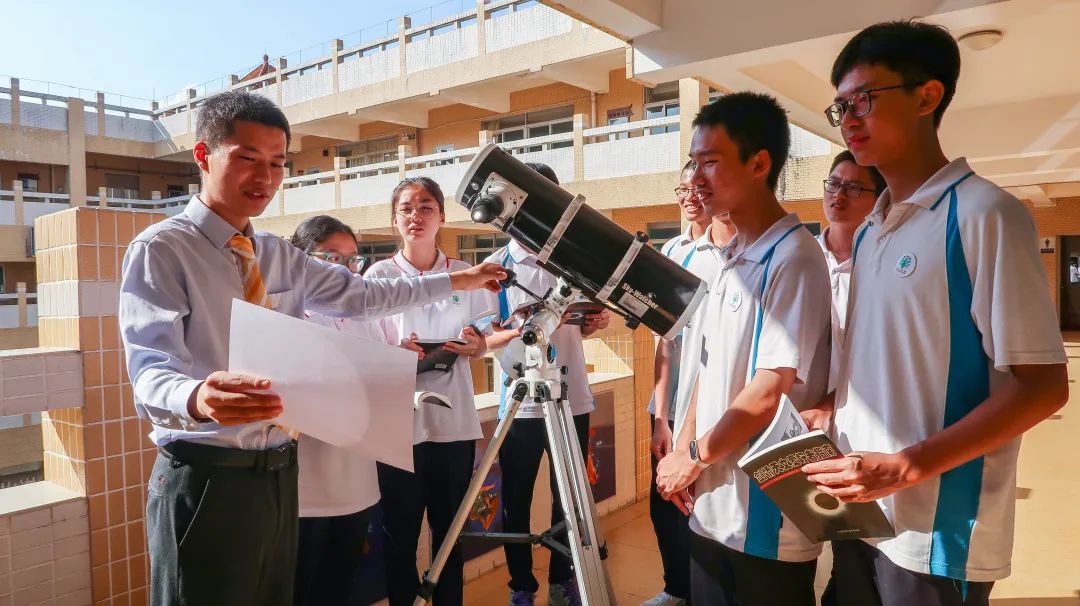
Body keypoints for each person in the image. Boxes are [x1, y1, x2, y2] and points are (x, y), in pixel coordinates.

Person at [119, 91, 506, 606]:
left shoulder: (274, 254)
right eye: (248, 158)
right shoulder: (163, 249)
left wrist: (461, 279)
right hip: (207, 471)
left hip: (280, 472)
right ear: (203, 155)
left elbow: (364, 296)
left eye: (277, 163)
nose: (265, 177)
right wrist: (197, 397)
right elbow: (150, 368)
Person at [803, 20, 1068, 606]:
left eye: (865, 100)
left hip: (938, 533)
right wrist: (831, 407)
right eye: (840, 107)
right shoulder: (870, 231)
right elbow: (886, 357)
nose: (848, 119)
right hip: (858, 510)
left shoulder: (984, 213)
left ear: (927, 96)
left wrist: (903, 468)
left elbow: (1043, 387)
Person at [654, 92, 831, 606]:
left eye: (710, 162)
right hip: (711, 508)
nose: (696, 178)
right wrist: (685, 450)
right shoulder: (730, 258)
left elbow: (768, 392)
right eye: (693, 163)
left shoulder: (794, 257)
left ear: (759, 164)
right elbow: (706, 370)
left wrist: (693, 457)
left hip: (768, 521)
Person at [366, 177, 496, 606]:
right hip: (398, 429)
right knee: (398, 535)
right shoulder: (379, 277)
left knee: (450, 535)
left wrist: (477, 347)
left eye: (425, 207)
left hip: (453, 426)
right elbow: (364, 347)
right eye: (405, 208)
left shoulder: (465, 275)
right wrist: (394, 354)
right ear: (394, 219)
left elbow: (485, 336)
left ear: (441, 216)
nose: (415, 216)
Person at [484, 162, 610, 606]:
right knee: (515, 501)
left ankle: (563, 580)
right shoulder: (495, 267)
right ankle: (521, 587)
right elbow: (483, 337)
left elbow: (589, 321)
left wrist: (594, 322)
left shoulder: (573, 260)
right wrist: (520, 330)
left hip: (570, 400)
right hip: (520, 404)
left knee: (568, 500)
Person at [644, 160, 735, 606]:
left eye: (698, 188)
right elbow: (665, 340)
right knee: (663, 502)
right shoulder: (674, 252)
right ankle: (676, 588)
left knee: (706, 502)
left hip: (716, 407)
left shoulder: (735, 252)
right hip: (672, 403)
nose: (690, 197)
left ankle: (704, 591)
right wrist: (661, 417)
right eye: (682, 189)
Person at [288, 215, 380, 606]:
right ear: (301, 259)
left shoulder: (362, 316)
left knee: (341, 587)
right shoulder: (284, 314)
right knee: (300, 588)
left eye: (352, 259)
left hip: (357, 482)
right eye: (332, 258)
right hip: (303, 490)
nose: (345, 271)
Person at [817, 150, 885, 390]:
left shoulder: (882, 267)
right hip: (797, 407)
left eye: (853, 188)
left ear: (879, 200)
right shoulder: (803, 258)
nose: (839, 194)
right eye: (833, 184)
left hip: (860, 400)